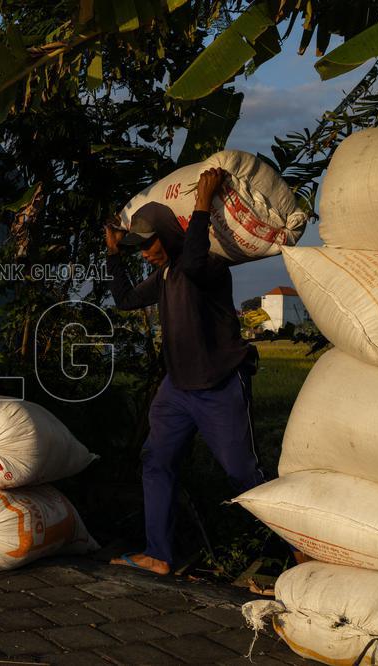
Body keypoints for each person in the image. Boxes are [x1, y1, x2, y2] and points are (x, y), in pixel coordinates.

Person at [104, 168, 263, 576]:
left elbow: (193, 260)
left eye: (149, 244)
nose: (145, 254)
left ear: (170, 234)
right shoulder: (165, 275)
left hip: (219, 385)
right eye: (139, 248)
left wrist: (201, 204)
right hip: (177, 391)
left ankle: (298, 551)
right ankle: (158, 554)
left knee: (243, 473)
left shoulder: (209, 267)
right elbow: (124, 299)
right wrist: (113, 254)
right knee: (156, 461)